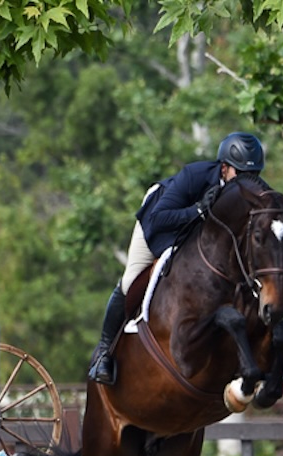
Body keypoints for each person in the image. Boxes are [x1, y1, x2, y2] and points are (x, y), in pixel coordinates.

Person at [88, 131, 266, 385]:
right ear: (224, 168)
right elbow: (159, 218)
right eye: (243, 175)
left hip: (197, 239)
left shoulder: (248, 191)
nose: (249, 182)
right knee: (130, 281)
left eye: (254, 176)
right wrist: (198, 210)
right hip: (159, 224)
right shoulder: (194, 176)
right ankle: (103, 352)